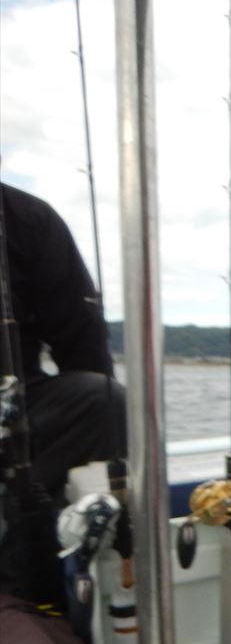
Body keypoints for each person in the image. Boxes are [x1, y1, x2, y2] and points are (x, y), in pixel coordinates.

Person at [0, 180, 125, 610]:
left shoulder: (26, 218)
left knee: (102, 399)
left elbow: (82, 342)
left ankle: (31, 583)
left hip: (18, 411)